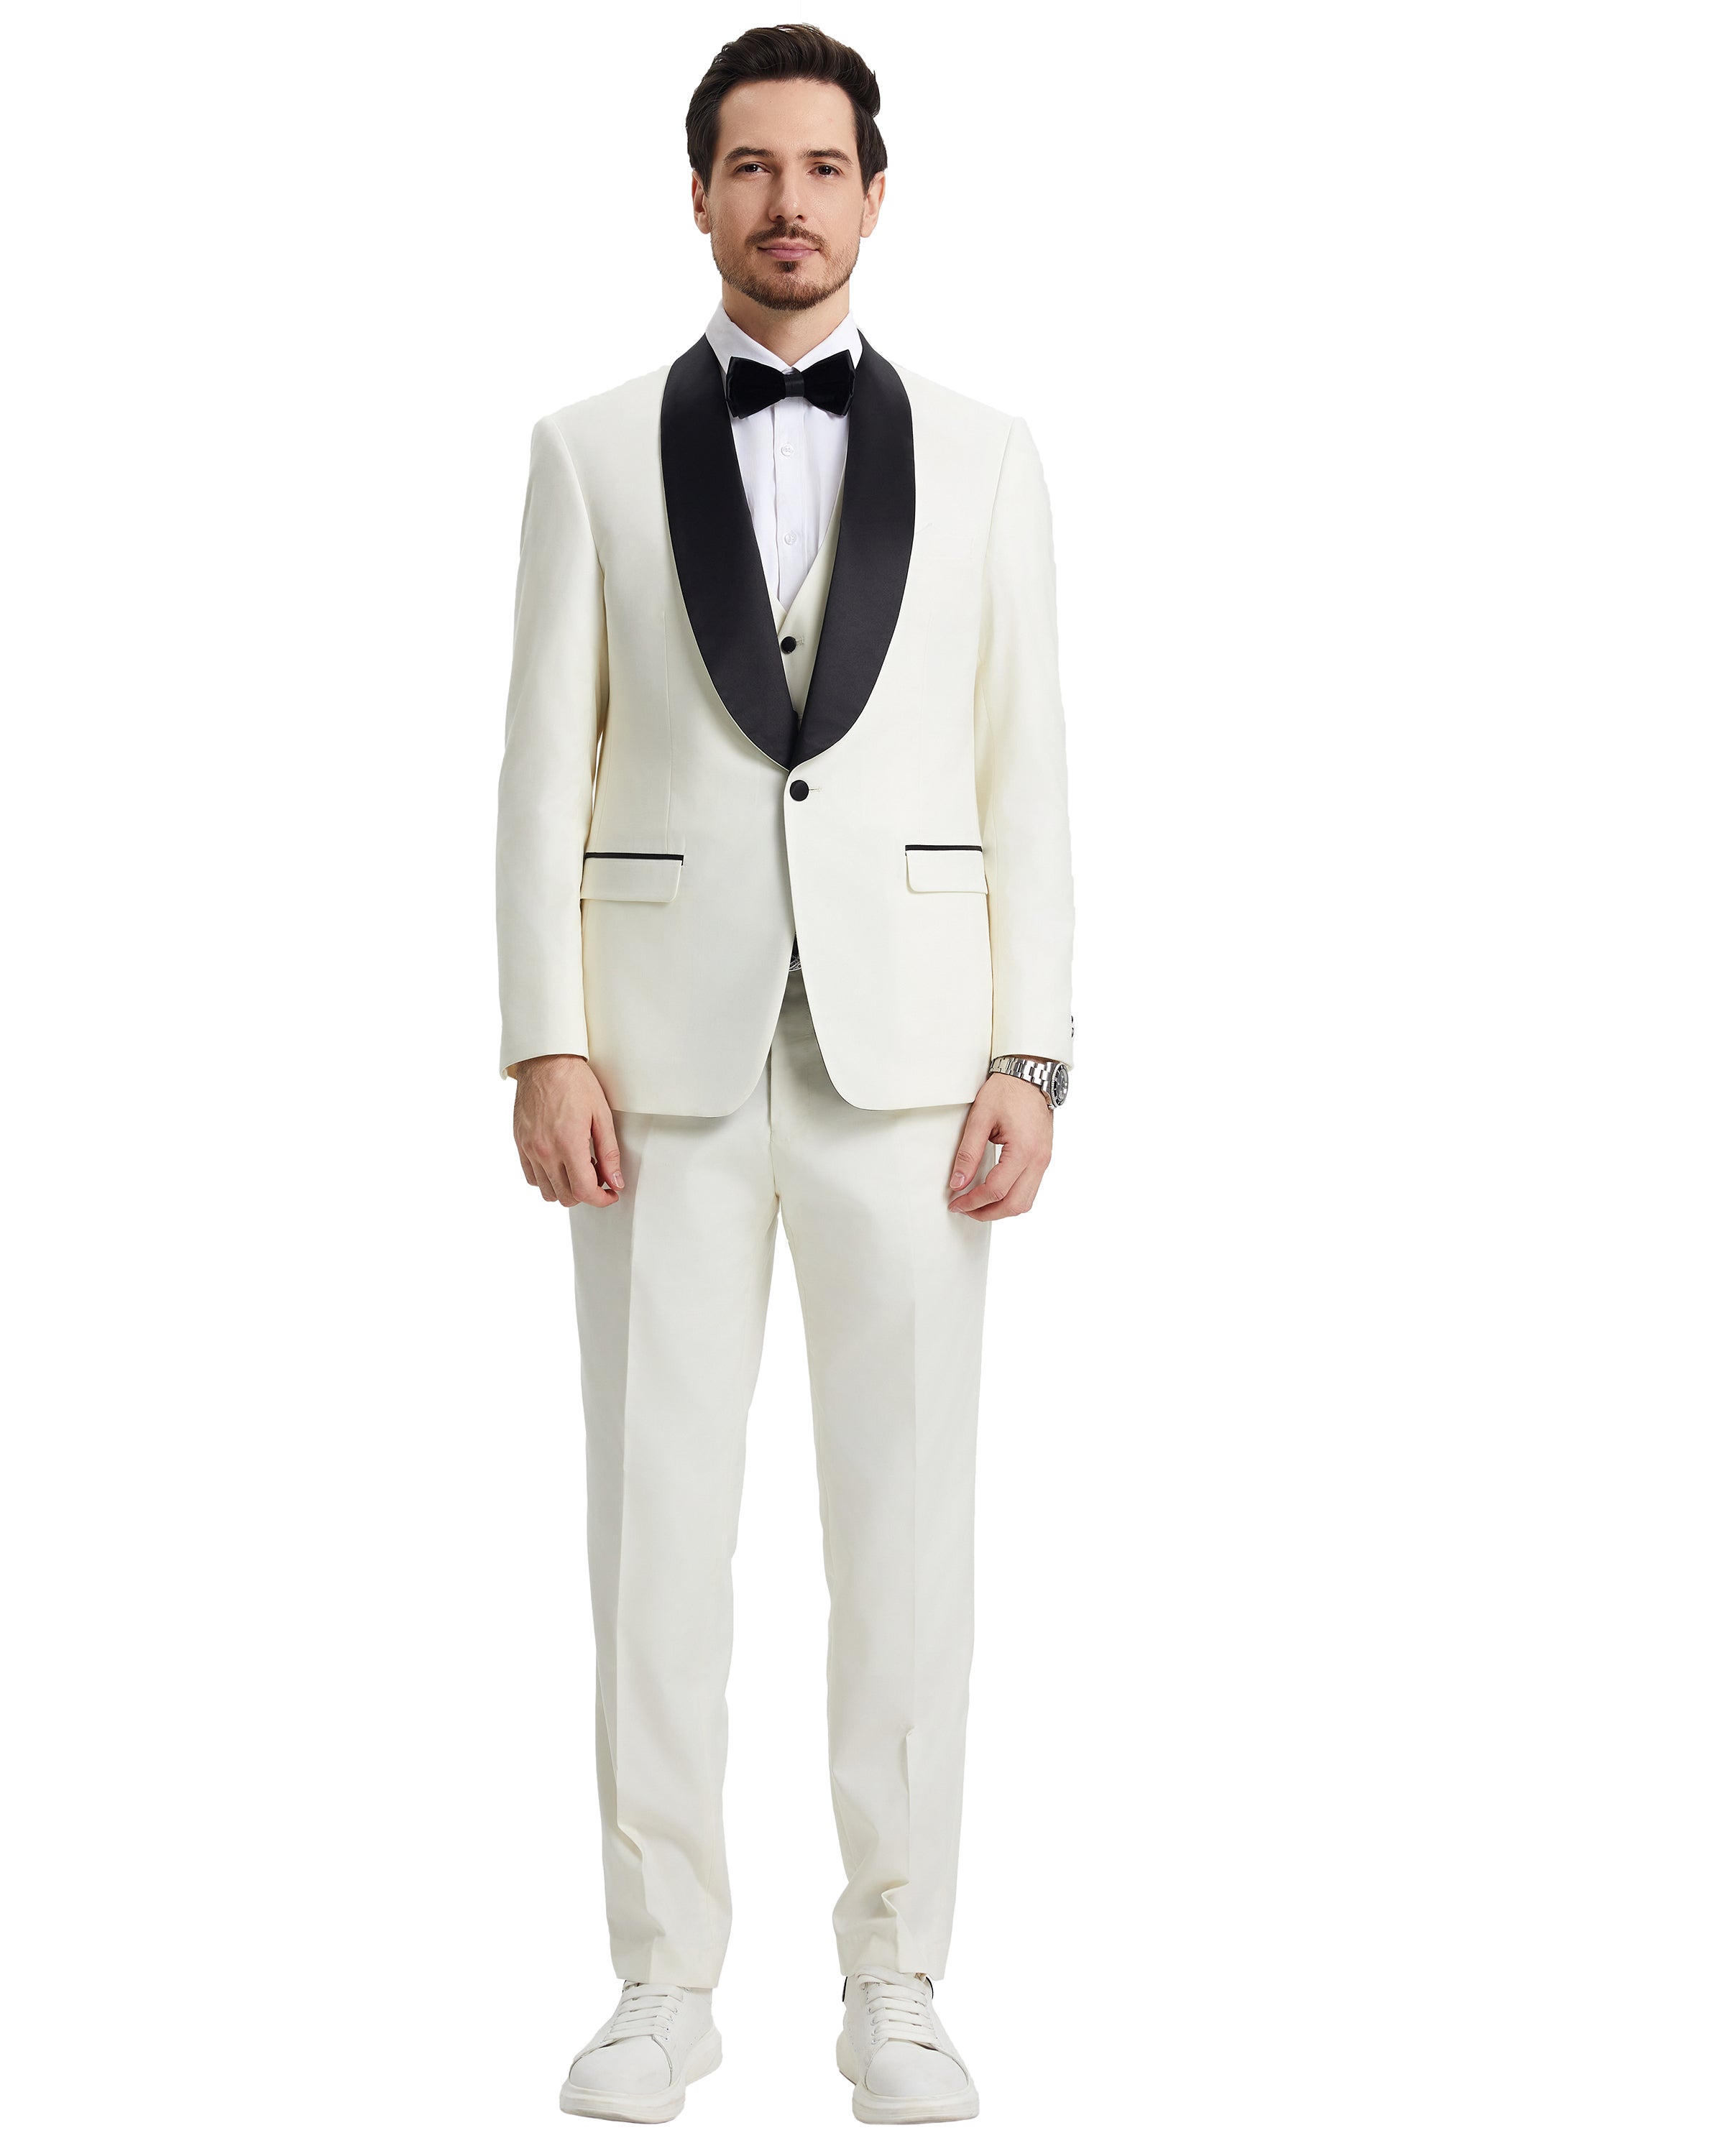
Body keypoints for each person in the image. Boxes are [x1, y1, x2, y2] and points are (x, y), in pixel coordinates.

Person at [495, 23, 1074, 2127]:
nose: (789, 203)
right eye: (751, 167)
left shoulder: (989, 457)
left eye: (824, 167)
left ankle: (895, 1974)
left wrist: (1034, 1052)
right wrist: (544, 1034)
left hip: (915, 1066)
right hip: (658, 1067)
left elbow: (1027, 771)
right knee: (655, 1533)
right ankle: (663, 1979)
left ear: (877, 194)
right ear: (700, 196)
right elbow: (537, 765)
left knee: (907, 1536)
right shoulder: (584, 451)